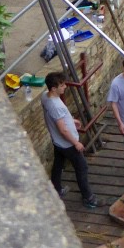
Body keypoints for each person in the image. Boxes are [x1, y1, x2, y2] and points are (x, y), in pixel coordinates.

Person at [41, 71, 98, 209]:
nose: (65, 87)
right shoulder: (56, 105)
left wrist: (71, 121)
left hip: (57, 141)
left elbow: (57, 119)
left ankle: (56, 190)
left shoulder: (45, 96)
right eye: (61, 85)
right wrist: (76, 143)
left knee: (58, 165)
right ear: (54, 88)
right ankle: (88, 198)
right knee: (82, 167)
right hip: (67, 144)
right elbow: (63, 129)